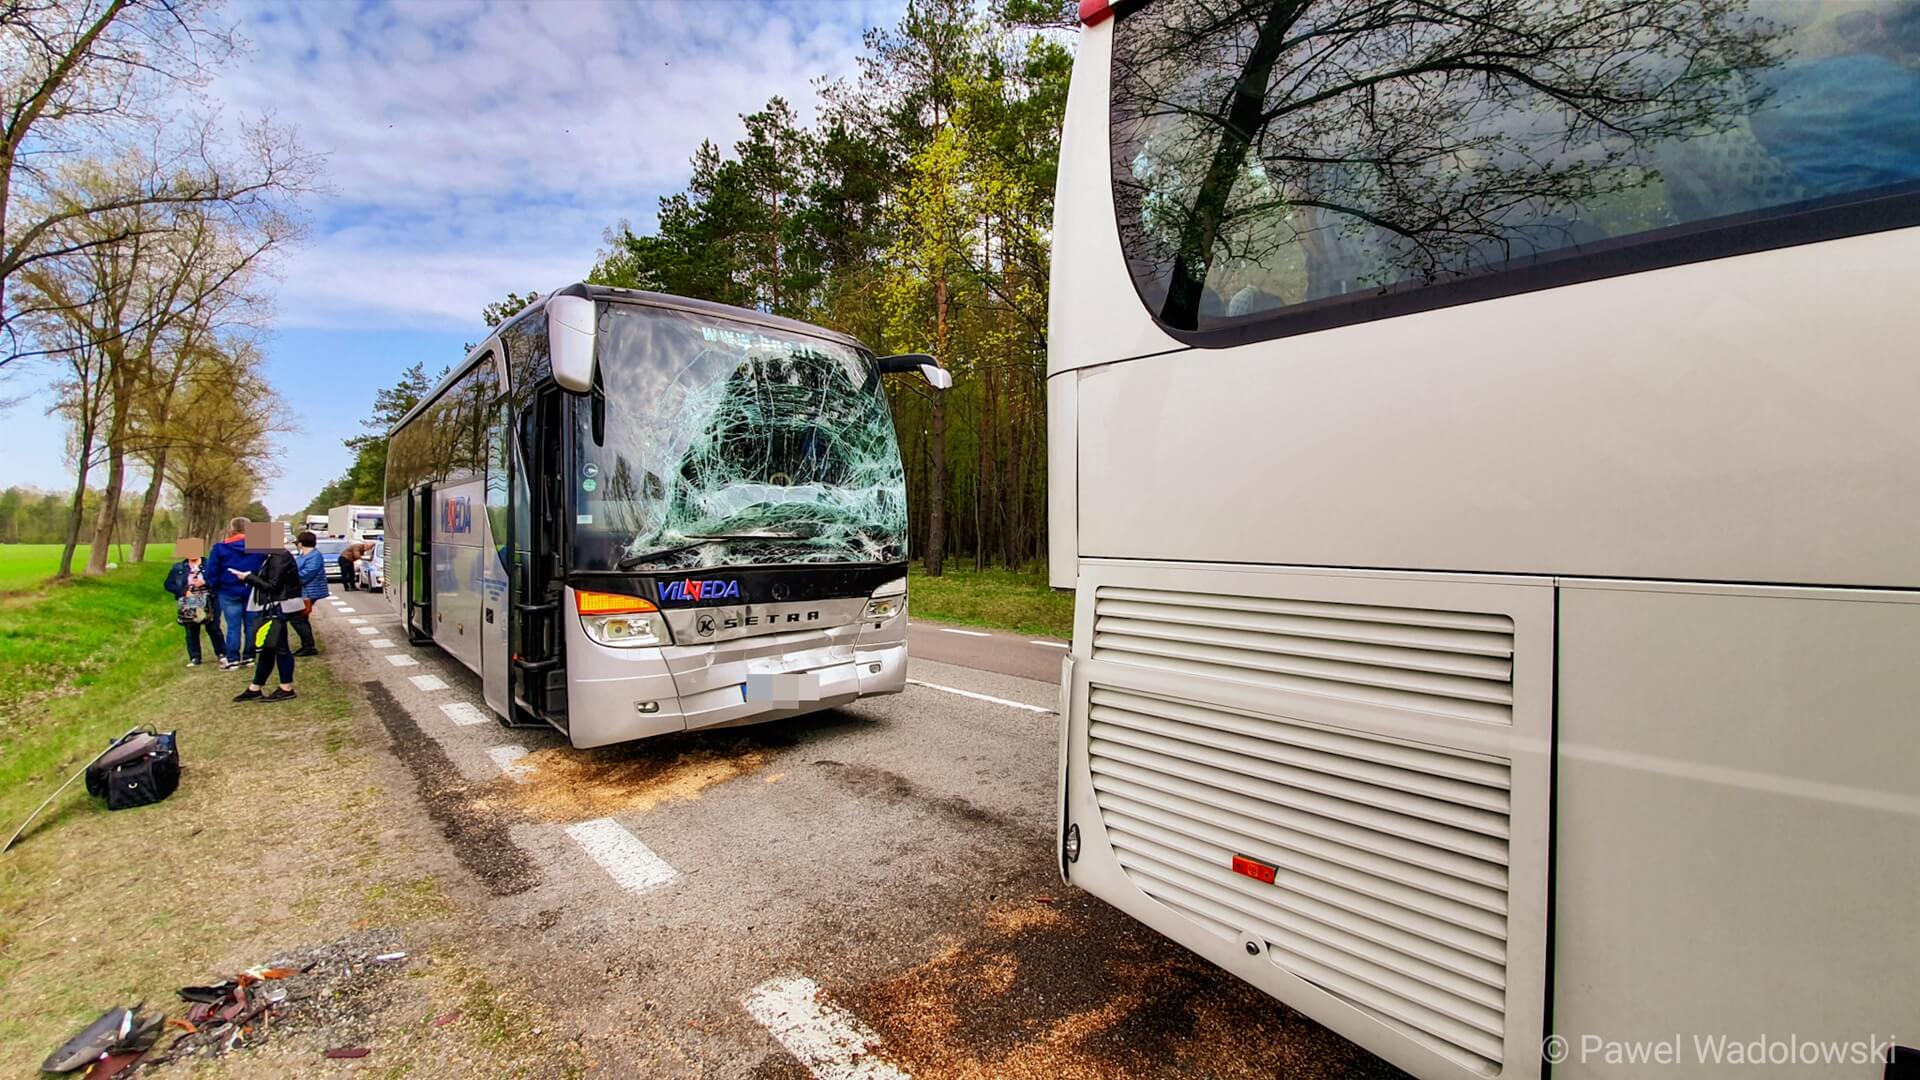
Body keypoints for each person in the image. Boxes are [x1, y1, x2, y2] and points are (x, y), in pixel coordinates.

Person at [231, 544, 303, 703]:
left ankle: (286, 688)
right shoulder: (273, 556)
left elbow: (273, 586)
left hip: (277, 606)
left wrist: (248, 577)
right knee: (267, 648)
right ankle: (255, 687)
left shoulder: (279, 557)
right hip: (273, 606)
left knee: (280, 648)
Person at [202, 516, 267, 670]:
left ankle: (233, 658)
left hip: (228, 590)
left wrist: (214, 586)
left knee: (233, 626)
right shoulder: (261, 547)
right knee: (251, 625)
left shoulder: (220, 548)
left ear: (232, 529)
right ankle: (249, 656)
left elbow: (211, 571)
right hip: (252, 589)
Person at [163, 548, 222, 667]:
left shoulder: (210, 564)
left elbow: (219, 580)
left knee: (213, 628)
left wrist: (205, 582)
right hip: (189, 601)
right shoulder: (178, 568)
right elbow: (168, 584)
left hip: (210, 599)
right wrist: (183, 592)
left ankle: (221, 653)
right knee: (191, 629)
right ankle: (195, 657)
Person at [291, 530, 329, 656]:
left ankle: (308, 646)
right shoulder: (305, 555)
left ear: (301, 543)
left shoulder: (315, 556)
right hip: (305, 591)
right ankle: (307, 645)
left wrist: (290, 578)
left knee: (297, 618)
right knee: (302, 618)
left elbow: (307, 574)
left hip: (309, 591)